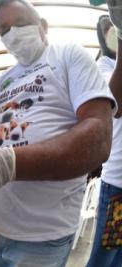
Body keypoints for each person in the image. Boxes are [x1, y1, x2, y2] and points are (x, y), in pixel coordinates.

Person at [0, 1, 116, 266]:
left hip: (42, 236)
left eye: (21, 23)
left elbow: (99, 136)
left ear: (43, 27)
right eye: (4, 30)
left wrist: (9, 164)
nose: (12, 33)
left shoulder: (68, 55)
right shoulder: (4, 79)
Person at [86, 15, 122, 267]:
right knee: (104, 258)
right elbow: (117, 106)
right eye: (112, 31)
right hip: (118, 185)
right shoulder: (105, 67)